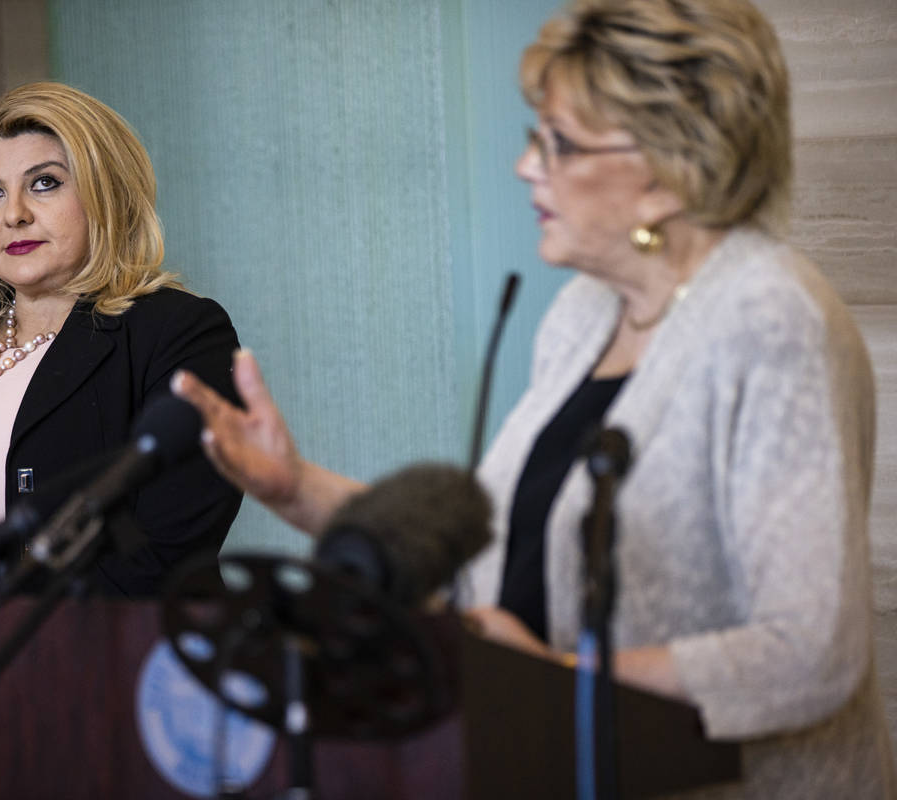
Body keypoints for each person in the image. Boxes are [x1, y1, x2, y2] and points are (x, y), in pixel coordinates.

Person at [172, 0, 896, 795]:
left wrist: (559, 677)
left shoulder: (770, 318)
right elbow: (495, 552)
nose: (526, 167)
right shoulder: (586, 310)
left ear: (667, 170)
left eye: (559, 143)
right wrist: (294, 486)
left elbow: (811, 653)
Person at [0, 82, 243, 797]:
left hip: (115, 715)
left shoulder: (178, 333)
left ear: (106, 193)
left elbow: (166, 550)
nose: (14, 214)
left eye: (45, 184)